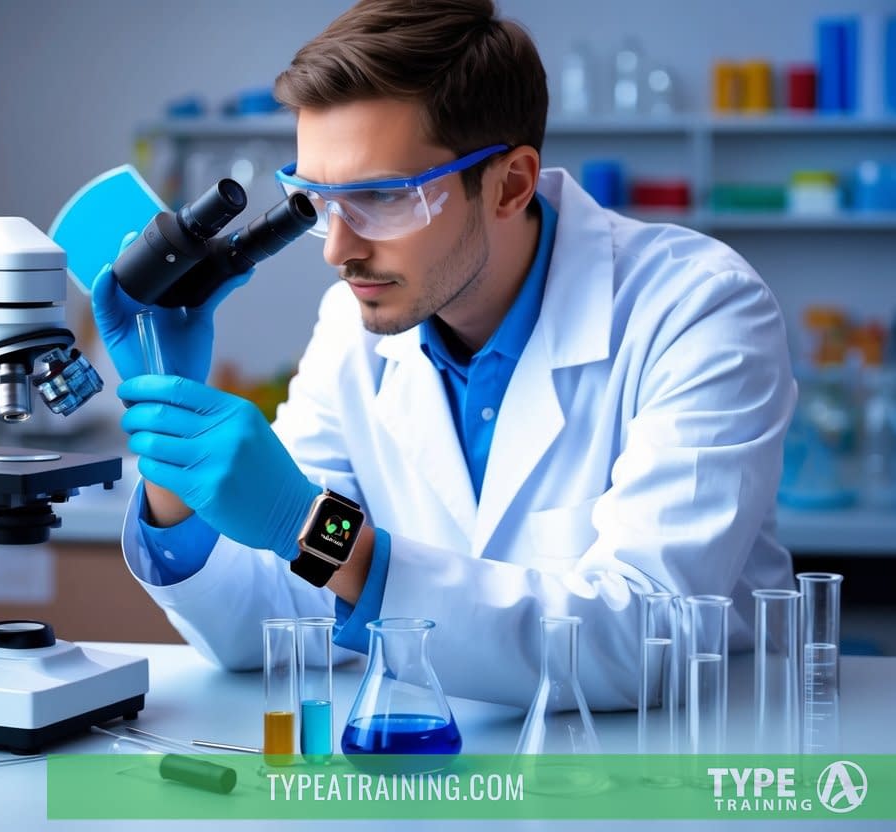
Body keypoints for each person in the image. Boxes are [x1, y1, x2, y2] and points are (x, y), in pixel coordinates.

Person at [90, 0, 795, 709]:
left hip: (671, 767)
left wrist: (314, 529)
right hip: (443, 768)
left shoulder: (695, 308)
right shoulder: (353, 326)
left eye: (379, 198)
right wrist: (169, 444)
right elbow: (264, 629)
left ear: (510, 184)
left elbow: (640, 634)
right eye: (316, 202)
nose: (338, 251)